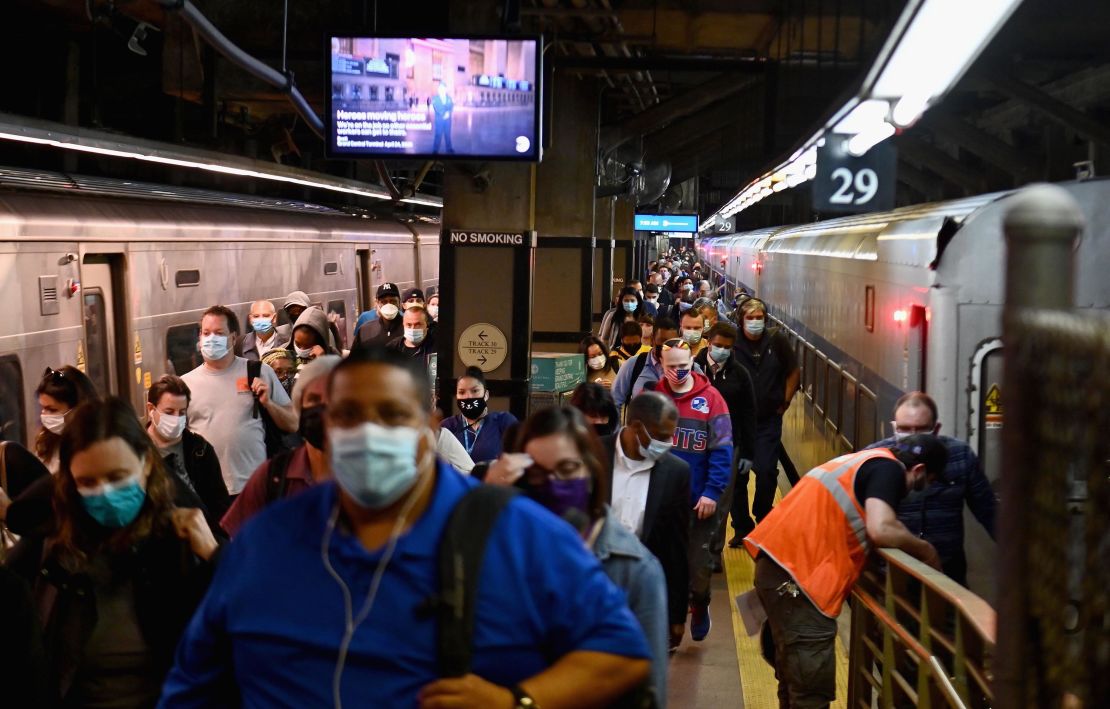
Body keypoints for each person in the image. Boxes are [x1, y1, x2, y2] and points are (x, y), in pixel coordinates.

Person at [160, 345, 652, 707]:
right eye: (349, 415)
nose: (368, 433)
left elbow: (621, 652)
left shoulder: (517, 534)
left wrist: (517, 702)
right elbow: (194, 683)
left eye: (391, 416)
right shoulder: (268, 541)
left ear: (427, 425)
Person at [5, 398, 218, 708]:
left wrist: (214, 557)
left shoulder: (186, 541)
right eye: (87, 482)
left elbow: (246, 631)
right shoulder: (47, 553)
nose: (104, 493)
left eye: (117, 477)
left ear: (146, 465)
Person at [486, 405, 669, 706]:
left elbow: (650, 688)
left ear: (592, 469)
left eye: (567, 470)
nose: (554, 484)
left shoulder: (634, 568)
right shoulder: (506, 548)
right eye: (537, 474)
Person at [745, 436, 947, 707]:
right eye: (929, 481)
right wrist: (926, 551)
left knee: (795, 678)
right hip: (798, 578)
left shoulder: (863, 461)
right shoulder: (890, 470)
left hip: (782, 569)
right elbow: (881, 528)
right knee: (810, 687)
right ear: (920, 470)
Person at [864, 391, 998, 586]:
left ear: (936, 429)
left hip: (946, 574)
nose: (913, 438)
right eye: (904, 429)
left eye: (920, 430)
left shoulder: (961, 456)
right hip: (892, 576)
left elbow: (989, 511)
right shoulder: (876, 458)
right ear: (894, 427)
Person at [650, 338, 734, 642]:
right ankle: (668, 625)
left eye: (683, 366)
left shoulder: (712, 400)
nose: (678, 372)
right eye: (671, 367)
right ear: (660, 364)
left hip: (699, 501)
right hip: (660, 503)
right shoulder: (654, 398)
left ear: (692, 362)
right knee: (663, 567)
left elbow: (723, 449)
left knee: (697, 567)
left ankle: (700, 602)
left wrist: (713, 491)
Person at [599, 392, 691, 652]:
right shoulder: (591, 454)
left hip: (641, 591)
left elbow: (677, 547)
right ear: (637, 427)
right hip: (591, 585)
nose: (668, 444)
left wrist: (676, 615)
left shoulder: (676, 473)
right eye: (661, 436)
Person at [181, 305, 296, 496]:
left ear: (233, 338)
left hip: (254, 489)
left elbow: (292, 423)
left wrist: (269, 403)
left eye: (219, 333)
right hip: (209, 493)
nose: (211, 339)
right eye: (206, 333)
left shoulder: (258, 372)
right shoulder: (185, 384)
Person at [220, 356, 341, 537]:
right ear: (300, 408)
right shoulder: (272, 477)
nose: (324, 411)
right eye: (314, 400)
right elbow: (237, 550)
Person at [729, 298, 800, 544]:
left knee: (767, 471)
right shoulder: (732, 343)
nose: (755, 322)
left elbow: (793, 371)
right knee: (737, 477)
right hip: (736, 424)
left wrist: (786, 401)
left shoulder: (776, 341)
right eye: (750, 318)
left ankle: (763, 516)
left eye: (759, 317)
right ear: (741, 320)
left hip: (767, 421)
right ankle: (741, 527)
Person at [692, 322, 757, 570]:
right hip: (695, 445)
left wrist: (748, 452)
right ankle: (695, 546)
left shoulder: (740, 375)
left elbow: (749, 414)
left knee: (720, 501)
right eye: (718, 345)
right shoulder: (692, 369)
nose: (722, 351)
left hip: (728, 447)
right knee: (696, 495)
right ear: (708, 342)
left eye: (727, 347)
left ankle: (713, 551)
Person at [145, 375, 231, 534]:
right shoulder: (138, 449)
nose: (176, 419)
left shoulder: (200, 450)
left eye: (182, 412)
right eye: (169, 412)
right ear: (151, 409)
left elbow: (220, 505)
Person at [611, 316, 703, 409]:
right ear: (652, 339)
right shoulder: (634, 365)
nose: (666, 346)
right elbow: (614, 402)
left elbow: (706, 401)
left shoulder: (692, 369)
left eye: (671, 342)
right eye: (662, 341)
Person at [441, 367, 519, 465]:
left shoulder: (503, 421)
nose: (468, 396)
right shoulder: (447, 426)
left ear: (486, 395)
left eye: (474, 391)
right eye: (461, 392)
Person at [34, 366, 98, 474]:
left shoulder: (97, 446)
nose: (44, 414)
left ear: (78, 408)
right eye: (42, 408)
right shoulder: (46, 441)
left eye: (52, 409)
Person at [354, 283, 404, 347]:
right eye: (384, 301)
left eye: (393, 301)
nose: (388, 305)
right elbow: (355, 356)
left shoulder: (409, 327)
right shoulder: (365, 330)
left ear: (399, 302)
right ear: (377, 303)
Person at [431, 81, 455, 153]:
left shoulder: (449, 98)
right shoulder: (435, 98)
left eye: (444, 88)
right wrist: (444, 113)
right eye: (441, 88)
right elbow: (438, 107)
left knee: (448, 134)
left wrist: (449, 112)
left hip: (448, 120)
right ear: (438, 89)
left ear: (446, 89)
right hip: (439, 121)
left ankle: (449, 148)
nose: (442, 90)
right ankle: (435, 150)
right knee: (438, 135)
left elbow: (451, 106)